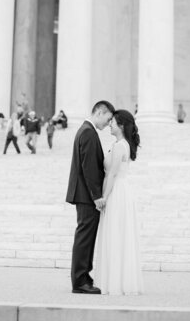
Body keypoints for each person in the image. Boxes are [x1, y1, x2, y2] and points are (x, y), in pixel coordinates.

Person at [65, 99, 115, 295]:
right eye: (108, 119)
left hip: (85, 194)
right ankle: (80, 281)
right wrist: (97, 196)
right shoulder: (88, 132)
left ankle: (83, 277)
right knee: (84, 238)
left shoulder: (87, 131)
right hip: (86, 195)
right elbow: (89, 168)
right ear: (99, 113)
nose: (108, 124)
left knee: (86, 237)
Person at [95, 109, 143, 295]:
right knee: (119, 235)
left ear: (121, 125)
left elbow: (112, 173)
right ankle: (120, 280)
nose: (110, 125)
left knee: (114, 234)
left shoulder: (119, 146)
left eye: (113, 122)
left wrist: (104, 197)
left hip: (116, 192)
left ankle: (113, 281)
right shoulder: (122, 144)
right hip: (123, 191)